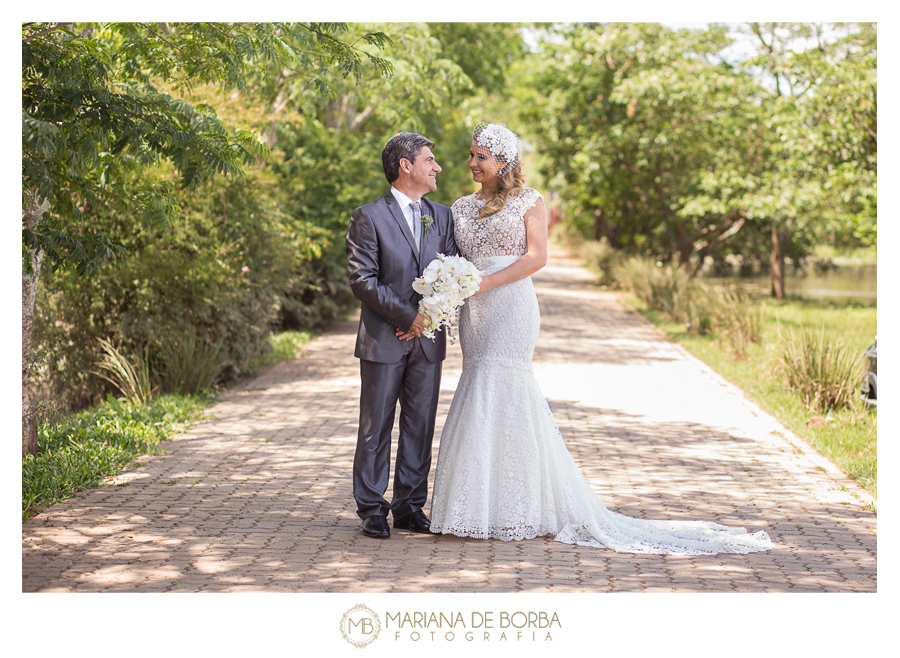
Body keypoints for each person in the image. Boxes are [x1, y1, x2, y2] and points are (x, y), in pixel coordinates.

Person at [428, 122, 774, 554]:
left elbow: (537, 258)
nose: (472, 162)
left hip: (510, 304)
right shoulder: (459, 207)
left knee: (507, 387)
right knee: (477, 386)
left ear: (504, 161)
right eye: (472, 154)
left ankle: (520, 508)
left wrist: (486, 282)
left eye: (481, 155)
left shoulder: (528, 201)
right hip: (475, 311)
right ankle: (475, 506)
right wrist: (451, 286)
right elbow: (454, 259)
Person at [346, 132, 458, 539]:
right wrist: (407, 316)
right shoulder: (369, 216)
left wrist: (424, 320)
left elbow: (453, 274)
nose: (438, 167)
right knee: (376, 426)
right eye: (430, 159)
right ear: (405, 166)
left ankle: (410, 506)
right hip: (384, 337)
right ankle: (372, 507)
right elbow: (362, 279)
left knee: (420, 424)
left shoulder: (442, 216)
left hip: (427, 340)